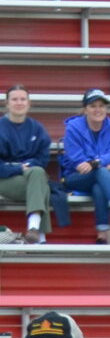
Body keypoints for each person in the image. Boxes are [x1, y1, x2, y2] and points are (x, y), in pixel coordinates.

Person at [62, 88, 110, 246]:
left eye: (101, 106)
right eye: (93, 106)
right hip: (76, 177)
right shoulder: (73, 128)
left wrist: (97, 163)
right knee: (102, 174)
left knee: (99, 186)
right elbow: (79, 164)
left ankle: (102, 237)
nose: (98, 110)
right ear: (85, 109)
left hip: (103, 178)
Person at [0, 83, 49, 247]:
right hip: (4, 180)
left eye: (23, 99)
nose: (19, 103)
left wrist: (27, 166)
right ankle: (38, 234)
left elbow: (43, 159)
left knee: (38, 173)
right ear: (7, 103)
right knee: (41, 183)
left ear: (29, 103)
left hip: (30, 177)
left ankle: (33, 230)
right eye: (14, 99)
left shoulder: (37, 128)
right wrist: (19, 168)